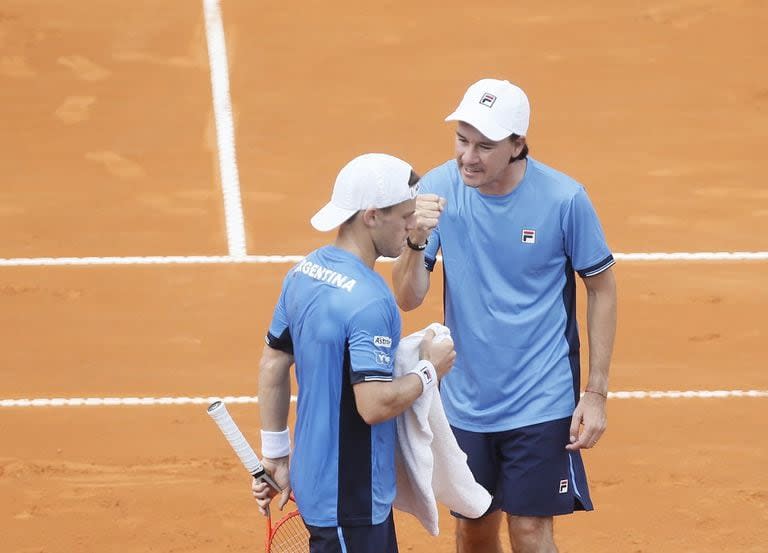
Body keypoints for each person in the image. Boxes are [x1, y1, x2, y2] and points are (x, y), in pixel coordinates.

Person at [392, 79, 617, 553]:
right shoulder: (437, 190)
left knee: (530, 531)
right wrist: (415, 240)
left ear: (517, 146)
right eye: (462, 140)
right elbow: (408, 298)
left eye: (485, 146)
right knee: (474, 527)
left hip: (542, 395)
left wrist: (594, 393)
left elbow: (600, 286)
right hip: (465, 400)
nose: (468, 157)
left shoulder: (564, 199)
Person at [252, 153, 456, 553]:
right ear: (372, 216)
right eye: (405, 216)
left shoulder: (302, 273)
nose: (413, 225)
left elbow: (273, 362)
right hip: (350, 501)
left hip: (317, 481)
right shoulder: (371, 300)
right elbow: (374, 405)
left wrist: (275, 454)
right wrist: (430, 370)